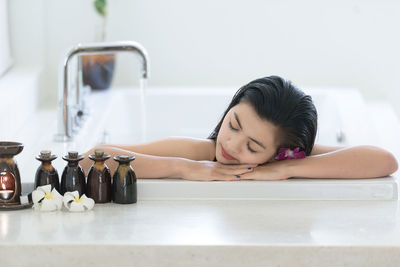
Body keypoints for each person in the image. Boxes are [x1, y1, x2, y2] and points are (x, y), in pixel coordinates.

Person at [81, 76, 398, 181]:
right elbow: (90, 158)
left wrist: (284, 170)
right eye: (233, 124)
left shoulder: (282, 158)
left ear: (279, 153)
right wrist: (187, 168)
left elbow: (384, 160)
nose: (231, 145)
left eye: (254, 147)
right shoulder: (202, 152)